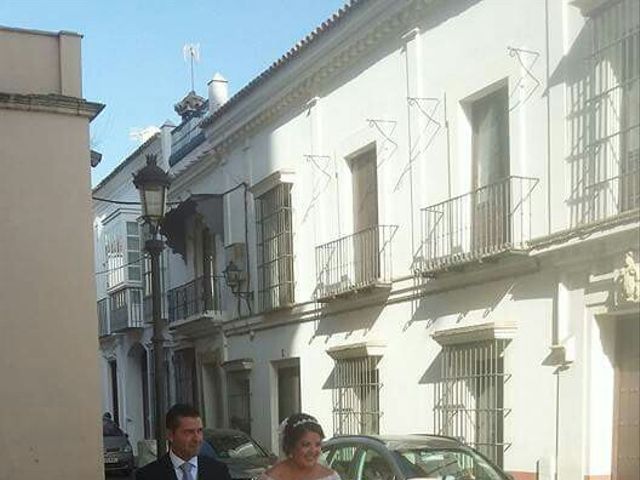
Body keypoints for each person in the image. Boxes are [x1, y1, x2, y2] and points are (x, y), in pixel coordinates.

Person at [136, 403, 231, 480]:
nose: (197, 439)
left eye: (199, 431)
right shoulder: (148, 475)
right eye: (189, 432)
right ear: (170, 435)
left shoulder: (219, 471)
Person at [259, 413, 340, 480]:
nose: (313, 451)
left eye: (317, 444)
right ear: (291, 446)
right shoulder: (271, 477)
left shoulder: (330, 477)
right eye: (306, 445)